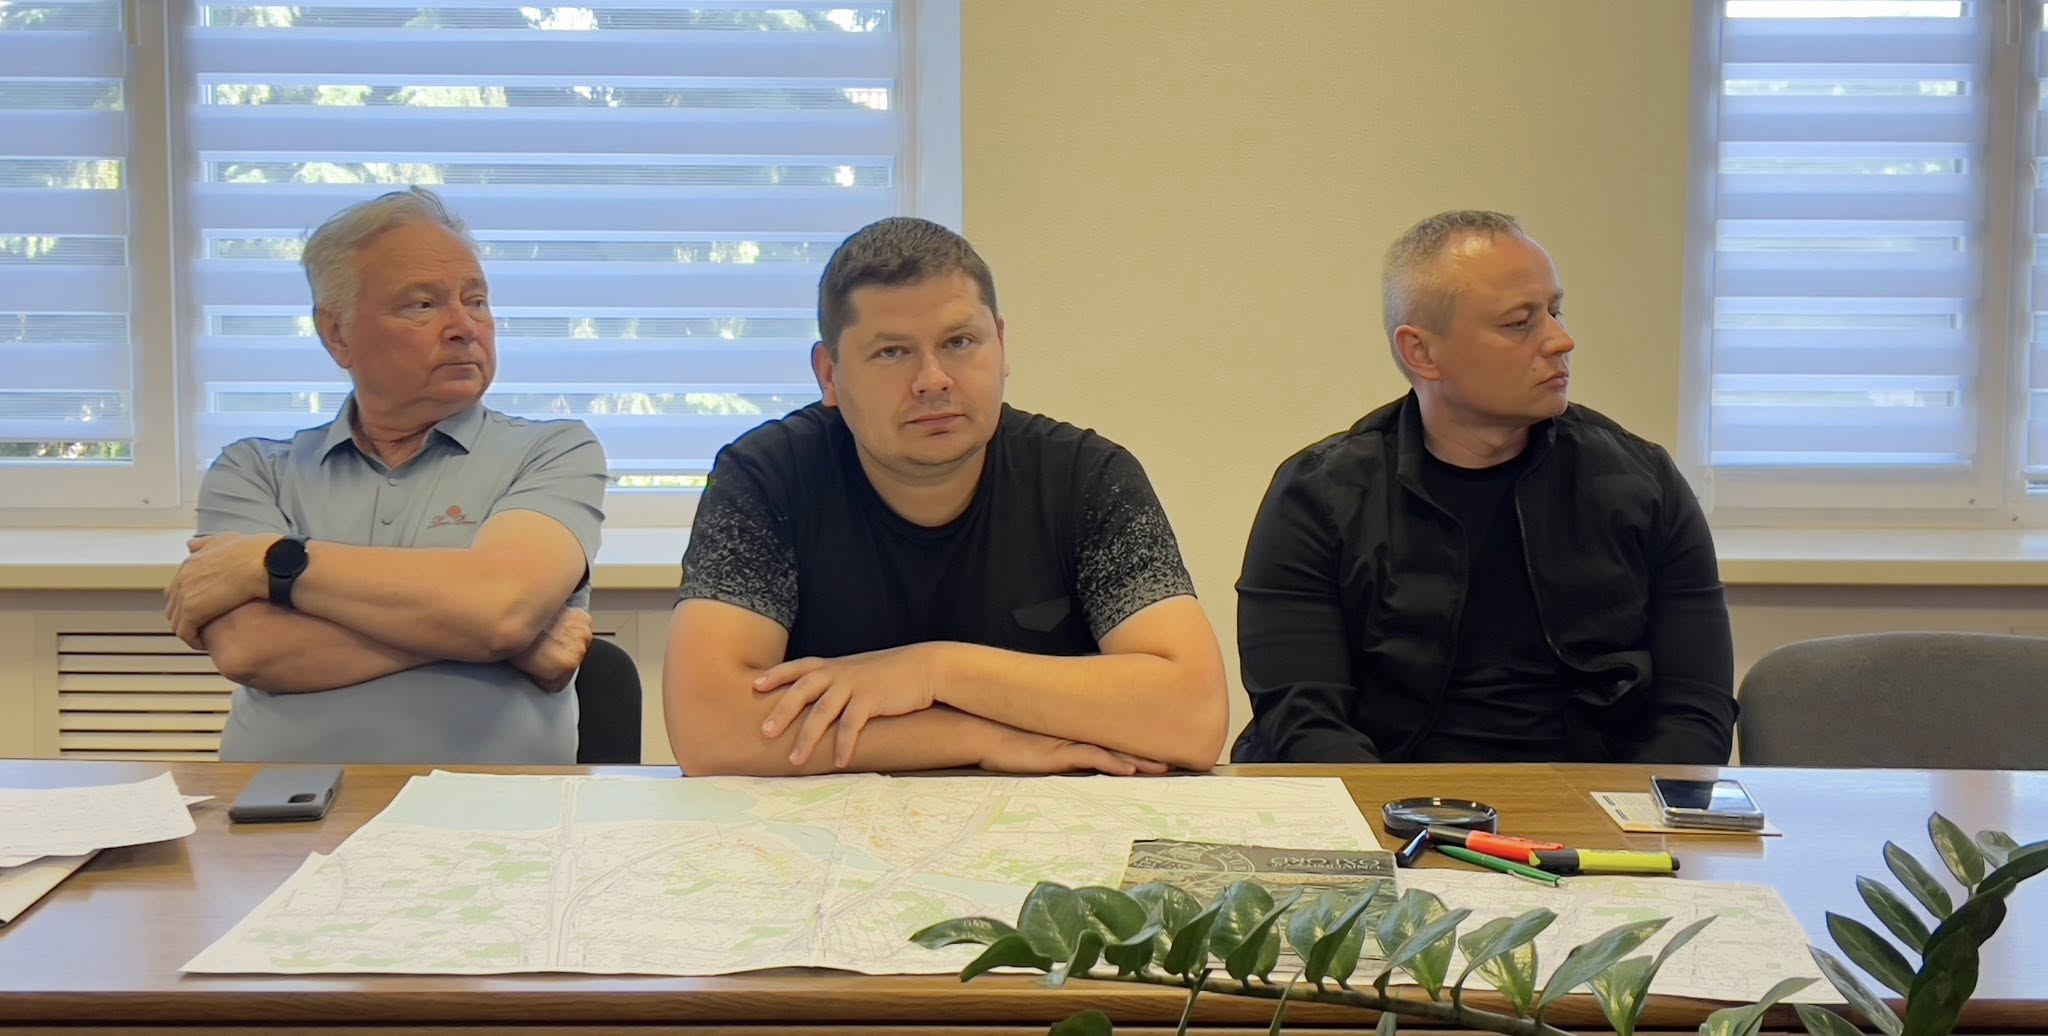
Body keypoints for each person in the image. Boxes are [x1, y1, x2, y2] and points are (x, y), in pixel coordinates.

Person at [665, 217, 1228, 776]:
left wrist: (933, 671)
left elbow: (1194, 717)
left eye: (959, 343)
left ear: (1000, 345)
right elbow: (710, 732)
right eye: (892, 352)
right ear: (829, 374)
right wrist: (976, 736)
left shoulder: (1088, 477)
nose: (933, 379)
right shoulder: (766, 477)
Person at [1234, 210, 1736, 764]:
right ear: (1422, 352)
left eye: (1554, 311)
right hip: (1390, 796)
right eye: (1519, 323)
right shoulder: (1319, 496)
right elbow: (1303, 721)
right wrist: (1401, 812)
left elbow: (1696, 712)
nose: (1561, 340)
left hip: (1591, 800)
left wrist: (1616, 812)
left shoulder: (1642, 483)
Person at [165, 187, 606, 764]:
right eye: (423, 305)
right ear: (337, 334)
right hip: (279, 807)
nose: (464, 326)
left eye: (475, 300)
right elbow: (252, 649)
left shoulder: (553, 451)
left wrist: (271, 563)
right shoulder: (254, 470)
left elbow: (502, 607)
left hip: (494, 809)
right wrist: (498, 639)